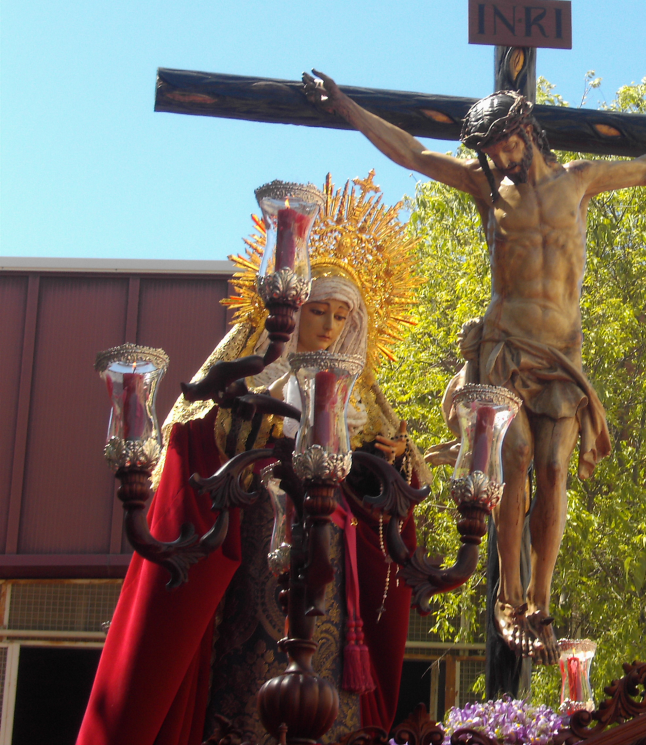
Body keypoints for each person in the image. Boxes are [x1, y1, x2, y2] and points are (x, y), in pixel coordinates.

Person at [302, 72, 646, 661]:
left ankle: (540, 601)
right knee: (513, 457)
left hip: (561, 355)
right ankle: (509, 598)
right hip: (506, 347)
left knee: (554, 469)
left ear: (528, 132)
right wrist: (345, 104)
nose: (501, 159)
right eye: (491, 152)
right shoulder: (486, 188)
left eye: (506, 145)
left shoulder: (579, 181)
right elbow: (412, 154)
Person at [76, 174, 425, 745]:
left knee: (325, 680)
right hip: (256, 543)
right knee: (252, 678)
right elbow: (197, 435)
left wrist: (394, 461)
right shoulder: (253, 375)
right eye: (318, 311)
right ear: (293, 308)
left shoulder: (362, 399)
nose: (328, 327)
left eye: (341, 317)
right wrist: (265, 430)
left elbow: (384, 494)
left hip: (331, 563)